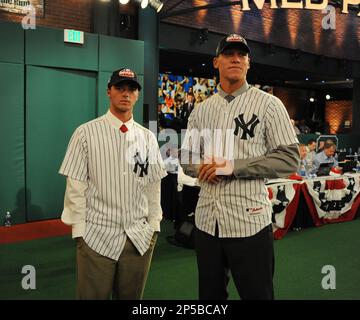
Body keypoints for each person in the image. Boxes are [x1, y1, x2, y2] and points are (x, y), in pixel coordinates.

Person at [181, 34, 300, 300]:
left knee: (257, 295)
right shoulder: (201, 110)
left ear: (248, 63)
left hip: (249, 222)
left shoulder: (269, 104)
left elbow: (289, 159)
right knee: (209, 299)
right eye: (228, 53)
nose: (235, 58)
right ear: (216, 62)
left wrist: (232, 167)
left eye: (242, 54)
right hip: (206, 223)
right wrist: (203, 166)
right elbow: (186, 157)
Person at [59, 68, 167, 300]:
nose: (125, 94)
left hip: (139, 236)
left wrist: (154, 225)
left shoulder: (147, 137)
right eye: (120, 88)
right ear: (109, 91)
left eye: (131, 89)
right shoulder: (85, 133)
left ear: (137, 95)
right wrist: (80, 232)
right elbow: (76, 187)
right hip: (96, 235)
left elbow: (153, 186)